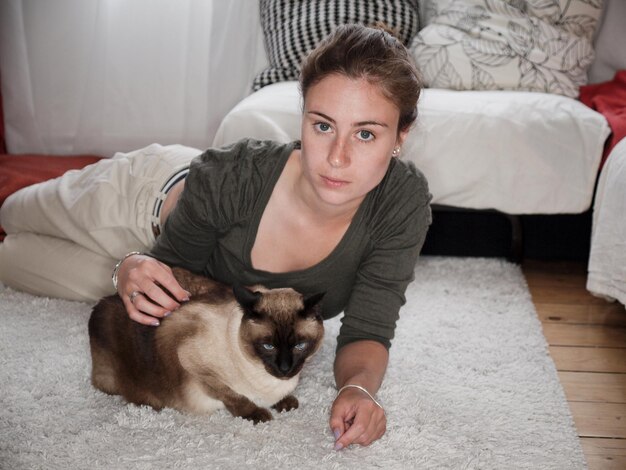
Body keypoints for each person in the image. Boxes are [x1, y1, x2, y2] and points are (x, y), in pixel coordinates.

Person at [0, 24, 431, 450]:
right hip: (143, 202)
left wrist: (358, 390)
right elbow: (167, 269)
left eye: (366, 133)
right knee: (10, 210)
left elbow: (368, 330)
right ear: (302, 116)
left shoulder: (401, 203)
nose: (337, 157)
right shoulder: (235, 175)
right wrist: (129, 265)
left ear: (400, 136)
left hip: (160, 286)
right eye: (322, 126)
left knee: (10, 259)